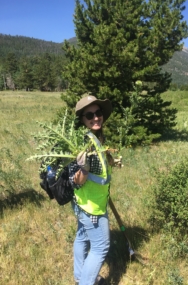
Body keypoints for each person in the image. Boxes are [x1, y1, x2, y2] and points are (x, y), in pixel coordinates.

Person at [68, 95, 114, 285]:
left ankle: (80, 276)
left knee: (82, 237)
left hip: (84, 202)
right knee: (101, 246)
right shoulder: (81, 144)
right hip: (91, 206)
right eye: (89, 115)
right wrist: (83, 168)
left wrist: (110, 160)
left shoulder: (95, 138)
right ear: (82, 120)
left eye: (98, 113)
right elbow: (76, 180)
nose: (96, 118)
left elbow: (100, 166)